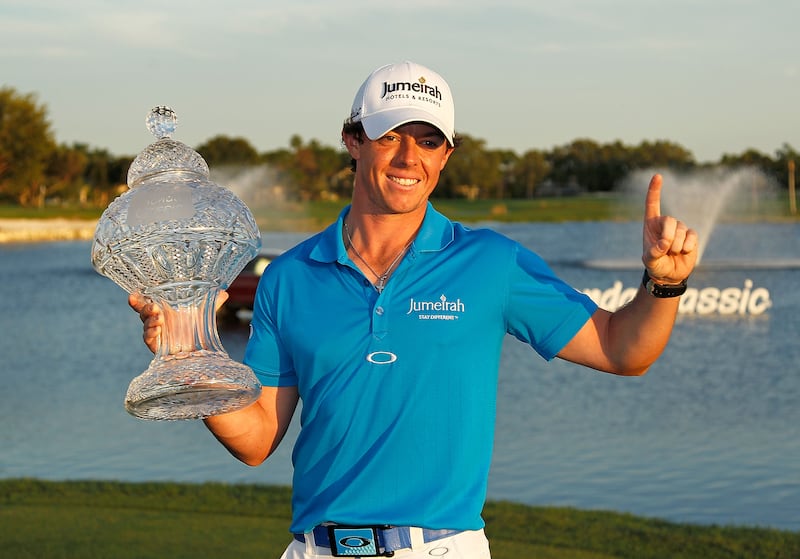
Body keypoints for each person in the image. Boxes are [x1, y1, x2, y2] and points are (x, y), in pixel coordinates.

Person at [129, 61, 698, 558]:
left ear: (447, 154)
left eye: (429, 141)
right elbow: (255, 441)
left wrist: (662, 285)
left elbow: (625, 350)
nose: (409, 157)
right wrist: (190, 357)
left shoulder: (491, 263)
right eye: (390, 135)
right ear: (353, 140)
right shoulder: (289, 277)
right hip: (314, 549)